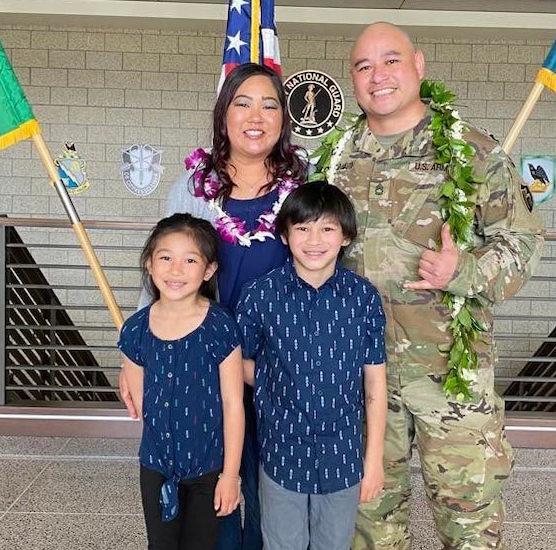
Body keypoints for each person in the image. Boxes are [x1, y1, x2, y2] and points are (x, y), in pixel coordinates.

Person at [324, 22, 545, 550]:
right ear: (352, 80)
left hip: (451, 376)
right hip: (361, 377)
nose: (378, 76)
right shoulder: (333, 160)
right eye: (363, 66)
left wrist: (463, 271)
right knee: (369, 522)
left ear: (418, 65)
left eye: (391, 61)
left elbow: (523, 244)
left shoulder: (473, 152)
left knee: (468, 520)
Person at [121, 62, 308, 550]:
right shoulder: (191, 186)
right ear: (223, 114)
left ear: (283, 119)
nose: (256, 115)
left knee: (273, 490)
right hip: (204, 366)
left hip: (278, 365)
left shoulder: (304, 186)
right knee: (213, 491)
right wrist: (132, 357)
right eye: (242, 102)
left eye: (270, 105)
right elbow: (163, 268)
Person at [235, 182, 388, 550]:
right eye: (302, 228)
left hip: (342, 457)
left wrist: (375, 460)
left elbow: (375, 387)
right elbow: (237, 363)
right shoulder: (260, 295)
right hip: (280, 454)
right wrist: (275, 382)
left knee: (333, 544)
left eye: (327, 228)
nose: (314, 239)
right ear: (285, 236)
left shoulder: (363, 297)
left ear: (346, 236)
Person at [119, 213, 245, 550]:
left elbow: (233, 405)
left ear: (208, 270)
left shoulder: (220, 326)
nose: (176, 270)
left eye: (190, 260)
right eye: (166, 258)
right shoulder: (135, 330)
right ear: (149, 263)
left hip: (208, 468)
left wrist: (230, 475)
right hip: (156, 466)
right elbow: (145, 406)